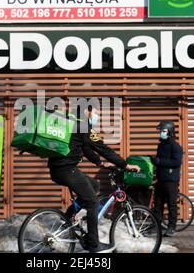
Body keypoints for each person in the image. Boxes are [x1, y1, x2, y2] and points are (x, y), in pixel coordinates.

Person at [48, 104, 141, 253]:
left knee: (94, 186)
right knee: (93, 202)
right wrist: (125, 165)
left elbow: (85, 148)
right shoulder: (83, 125)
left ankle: (69, 218)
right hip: (67, 171)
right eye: (96, 112)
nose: (97, 116)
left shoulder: (72, 124)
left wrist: (100, 163)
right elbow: (102, 147)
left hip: (59, 170)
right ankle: (94, 245)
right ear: (87, 111)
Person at [150, 121, 183, 237]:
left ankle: (171, 227)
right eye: (160, 131)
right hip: (161, 179)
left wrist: (160, 162)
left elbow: (177, 162)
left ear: (170, 132)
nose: (161, 133)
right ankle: (156, 226)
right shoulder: (161, 145)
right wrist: (154, 162)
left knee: (171, 204)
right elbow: (159, 160)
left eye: (163, 131)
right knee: (158, 204)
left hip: (171, 180)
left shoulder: (175, 146)